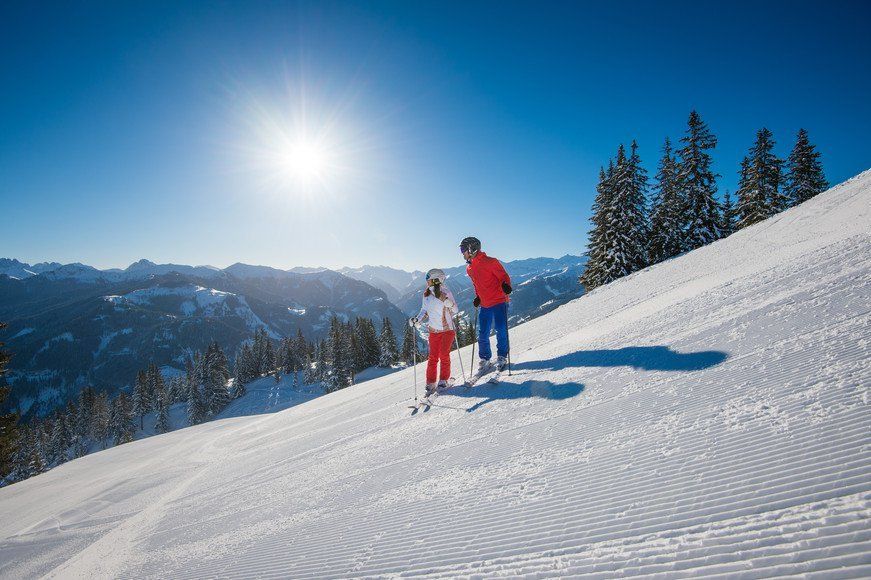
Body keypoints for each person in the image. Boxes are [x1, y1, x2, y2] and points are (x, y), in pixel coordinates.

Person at [460, 236, 512, 374]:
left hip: (499, 301)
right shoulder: (469, 268)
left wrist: (506, 285)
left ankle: (502, 356)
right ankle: (485, 358)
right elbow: (476, 284)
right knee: (483, 333)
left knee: (501, 330)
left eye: (463, 250)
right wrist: (478, 296)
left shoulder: (491, 262)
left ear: (472, 249)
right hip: (485, 304)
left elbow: (504, 276)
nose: (462, 253)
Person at [410, 268, 459, 397]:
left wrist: (449, 303)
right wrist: (417, 320)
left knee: (444, 355)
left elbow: (456, 310)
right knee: (433, 357)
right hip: (433, 331)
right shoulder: (426, 294)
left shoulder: (446, 292)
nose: (427, 282)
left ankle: (443, 380)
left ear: (437, 280)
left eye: (429, 280)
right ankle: (430, 382)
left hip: (447, 330)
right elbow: (424, 310)